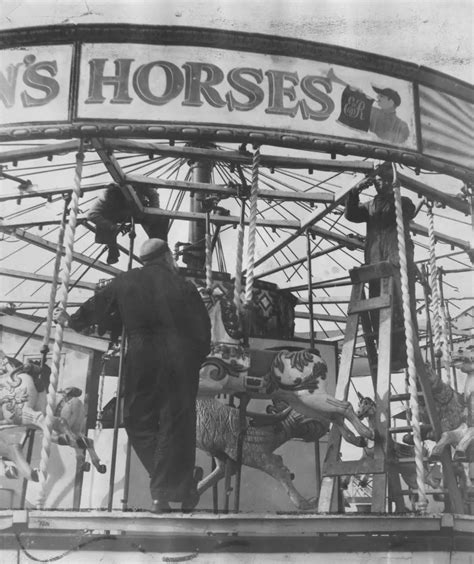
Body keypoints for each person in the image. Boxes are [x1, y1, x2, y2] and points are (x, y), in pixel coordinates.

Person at [54, 239, 211, 513]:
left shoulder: (125, 281)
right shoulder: (185, 287)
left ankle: (167, 490)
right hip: (181, 356)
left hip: (143, 356)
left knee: (137, 419)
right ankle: (180, 486)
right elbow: (203, 329)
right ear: (167, 258)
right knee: (179, 424)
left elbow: (97, 309)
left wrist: (71, 320)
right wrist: (194, 359)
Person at [345, 162, 417, 369]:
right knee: (379, 306)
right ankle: (384, 350)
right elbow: (351, 215)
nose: (381, 184)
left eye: (385, 180)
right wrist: (355, 191)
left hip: (397, 261)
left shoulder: (402, 201)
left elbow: (402, 212)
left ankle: (402, 352)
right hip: (376, 263)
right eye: (377, 181)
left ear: (391, 181)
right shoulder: (369, 206)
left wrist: (394, 190)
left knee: (401, 305)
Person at [87, 183, 169, 264]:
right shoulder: (107, 196)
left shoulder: (139, 184)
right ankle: (112, 247)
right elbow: (92, 214)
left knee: (161, 217)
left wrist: (153, 211)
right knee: (104, 216)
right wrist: (113, 226)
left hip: (138, 208)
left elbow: (153, 194)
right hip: (119, 212)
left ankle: (158, 249)